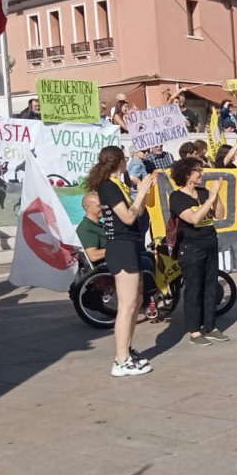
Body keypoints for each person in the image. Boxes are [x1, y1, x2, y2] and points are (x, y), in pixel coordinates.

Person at [87, 146, 156, 376]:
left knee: (136, 301)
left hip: (130, 244)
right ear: (120, 162)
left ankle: (127, 349)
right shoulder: (108, 187)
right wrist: (140, 193)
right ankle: (120, 360)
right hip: (120, 246)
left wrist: (143, 192)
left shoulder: (120, 186)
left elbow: (138, 212)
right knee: (126, 305)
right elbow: (127, 216)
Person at [168, 158, 227, 347]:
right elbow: (193, 218)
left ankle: (210, 326)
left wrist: (215, 196)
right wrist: (210, 199)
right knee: (194, 288)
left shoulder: (204, 192)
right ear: (187, 175)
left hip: (210, 243)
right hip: (191, 247)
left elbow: (219, 215)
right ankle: (194, 331)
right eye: (197, 171)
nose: (201, 173)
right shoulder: (177, 197)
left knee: (211, 285)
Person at [76, 192, 108, 264]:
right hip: (105, 268)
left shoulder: (99, 225)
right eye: (99, 206)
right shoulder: (86, 228)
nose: (104, 208)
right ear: (88, 208)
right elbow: (93, 255)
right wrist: (118, 248)